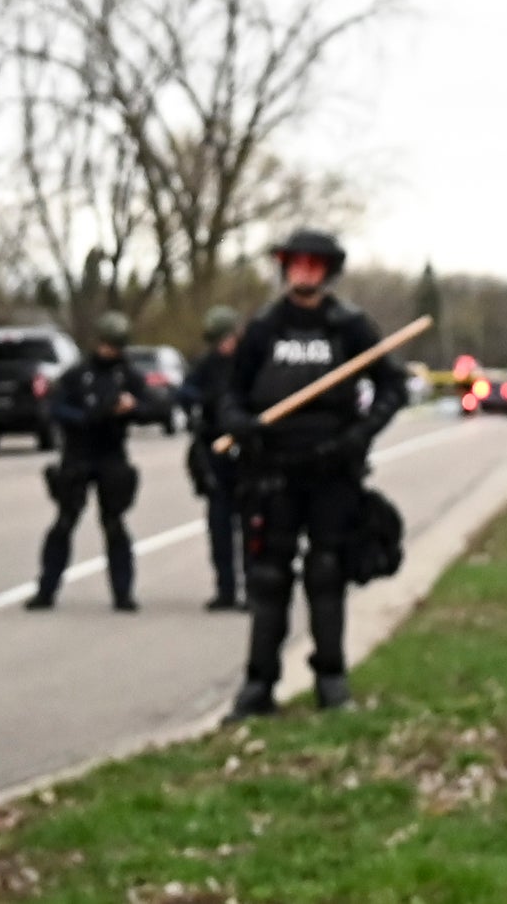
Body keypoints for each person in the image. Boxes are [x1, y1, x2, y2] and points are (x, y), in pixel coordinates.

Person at [219, 228, 402, 717]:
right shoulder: (263, 329)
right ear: (285, 268)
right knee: (268, 578)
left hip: (332, 470)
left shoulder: (350, 328)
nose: (303, 271)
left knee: (327, 573)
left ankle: (331, 681)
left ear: (327, 271)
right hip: (273, 471)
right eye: (295, 263)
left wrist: (359, 435)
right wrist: (240, 424)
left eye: (313, 264)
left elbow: (392, 388)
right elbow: (229, 395)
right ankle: (258, 686)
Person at [29, 310, 150, 612]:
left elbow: (155, 405)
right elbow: (54, 408)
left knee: (114, 524)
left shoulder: (128, 376)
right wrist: (85, 417)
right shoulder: (77, 374)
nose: (111, 351)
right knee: (65, 521)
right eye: (108, 345)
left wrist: (132, 408)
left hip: (111, 453)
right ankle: (46, 589)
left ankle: (123, 593)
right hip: (78, 452)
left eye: (117, 346)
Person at [182, 304, 247, 611]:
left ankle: (253, 589)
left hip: (248, 451)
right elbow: (184, 393)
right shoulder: (205, 366)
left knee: (251, 525)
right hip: (214, 452)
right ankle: (226, 589)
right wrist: (206, 402)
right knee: (219, 525)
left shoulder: (250, 363)